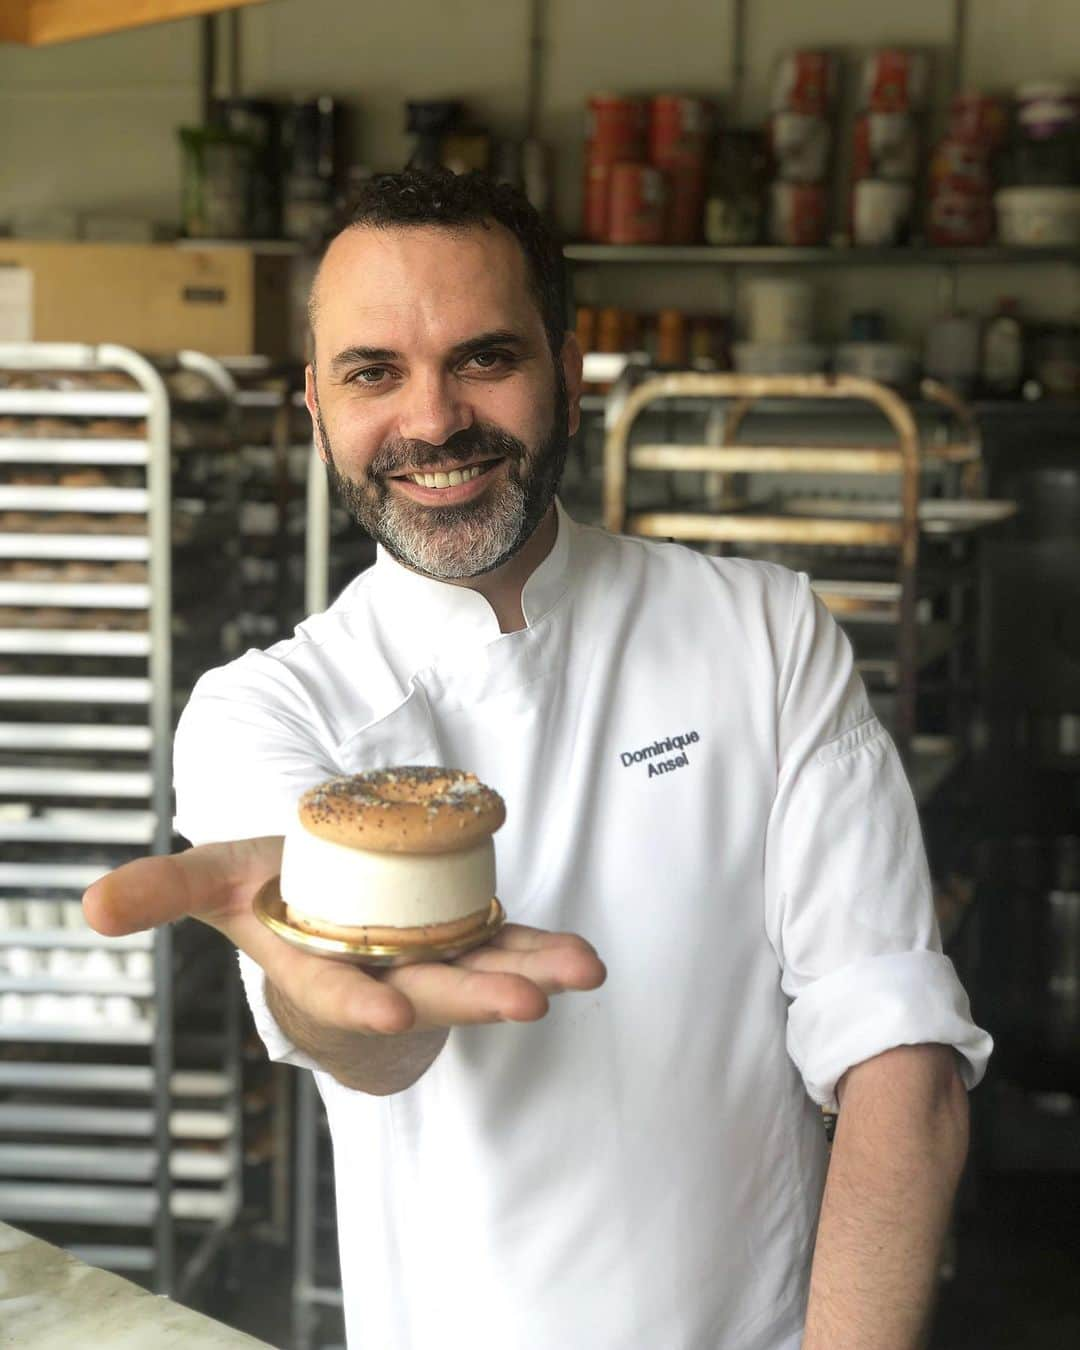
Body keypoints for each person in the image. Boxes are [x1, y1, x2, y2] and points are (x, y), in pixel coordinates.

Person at [84, 169, 992, 1350]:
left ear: (569, 373)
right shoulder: (266, 711)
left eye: (484, 357)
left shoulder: (762, 632)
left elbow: (895, 1053)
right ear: (314, 406)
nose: (433, 420)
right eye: (373, 373)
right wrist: (349, 1000)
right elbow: (363, 1033)